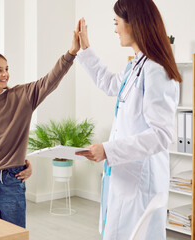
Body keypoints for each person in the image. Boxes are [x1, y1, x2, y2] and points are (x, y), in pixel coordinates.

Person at [74, 0, 181, 239]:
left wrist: (109, 150)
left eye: (117, 23)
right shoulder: (136, 65)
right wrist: (86, 48)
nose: (115, 29)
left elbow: (161, 135)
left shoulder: (156, 69)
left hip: (142, 181)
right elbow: (112, 84)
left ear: (134, 24)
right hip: (127, 175)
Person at [0, 24, 80, 228]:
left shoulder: (23, 96)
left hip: (11, 178)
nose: (5, 74)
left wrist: (72, 52)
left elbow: (51, 79)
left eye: (6, 69)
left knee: (15, 234)